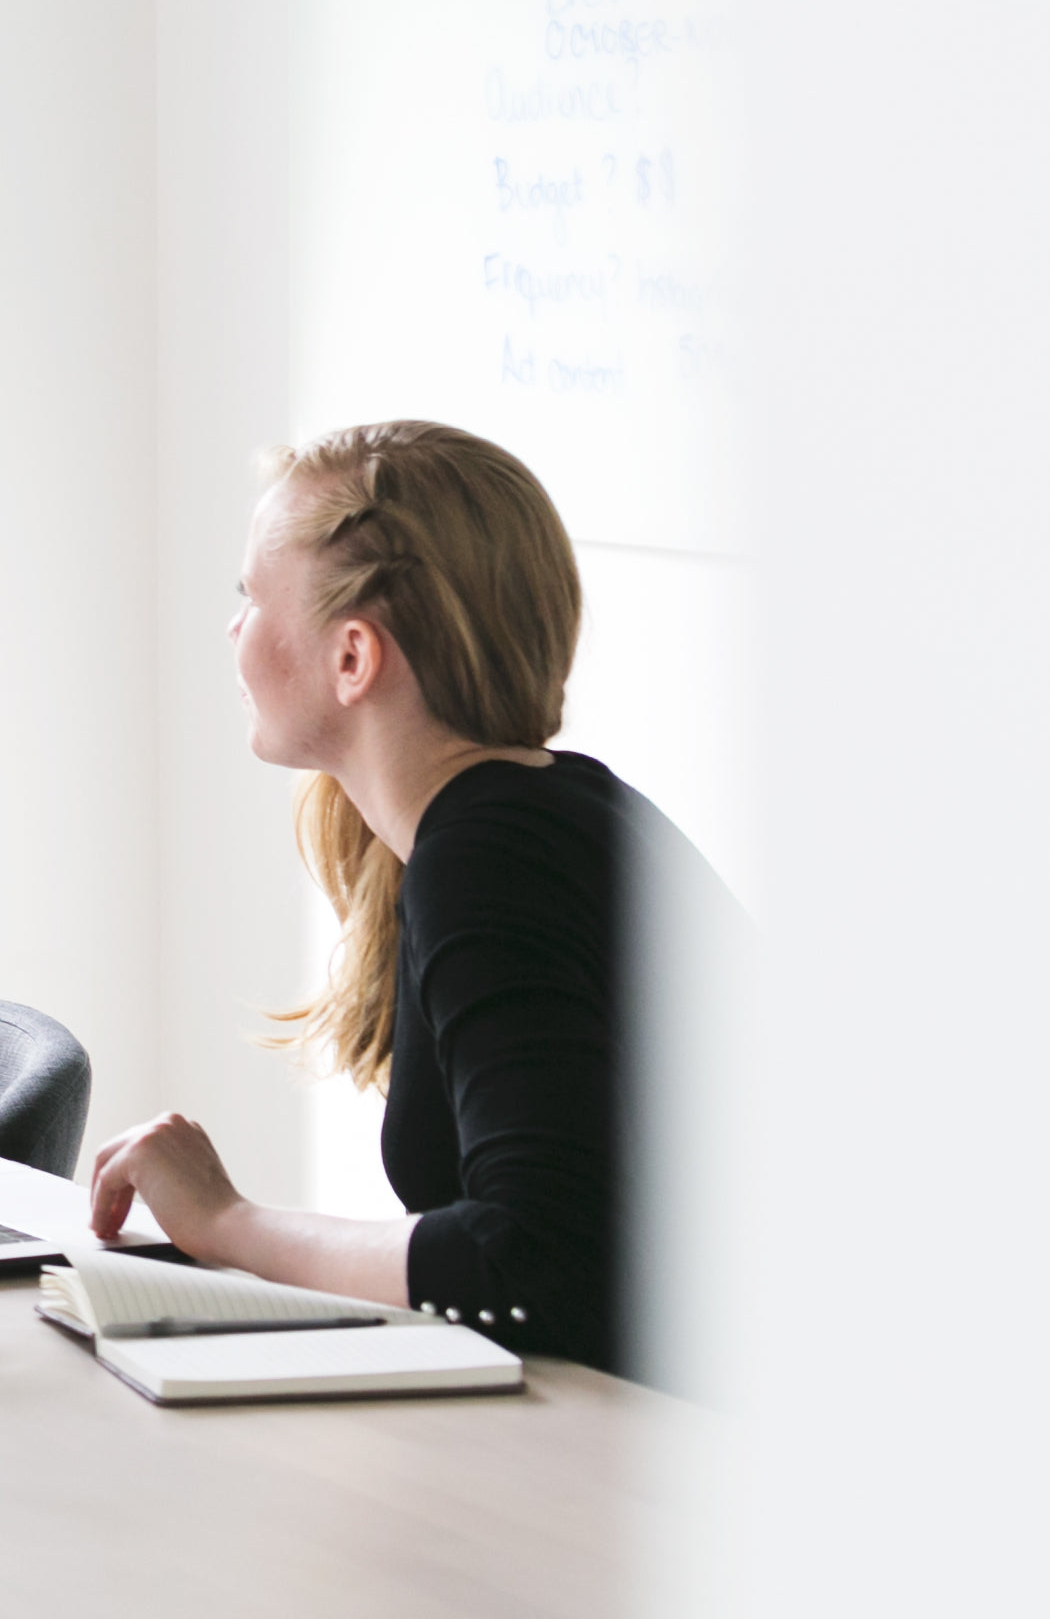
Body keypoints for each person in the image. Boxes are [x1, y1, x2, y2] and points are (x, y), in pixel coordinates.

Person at [86, 420, 739, 1382]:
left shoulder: (490, 857)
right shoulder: (548, 809)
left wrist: (225, 1224)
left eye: (250, 597)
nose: (234, 629)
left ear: (354, 658)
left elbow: (531, 1267)